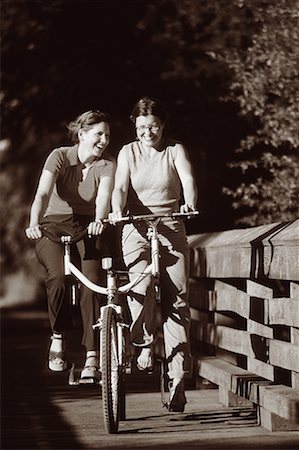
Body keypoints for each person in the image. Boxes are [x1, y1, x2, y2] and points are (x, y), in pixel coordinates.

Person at [110, 96, 198, 412]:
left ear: (163, 124)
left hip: (171, 222)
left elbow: (187, 179)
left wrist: (188, 202)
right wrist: (117, 210)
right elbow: (120, 187)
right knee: (139, 288)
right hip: (134, 225)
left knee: (177, 300)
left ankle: (178, 380)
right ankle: (144, 343)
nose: (148, 132)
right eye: (142, 127)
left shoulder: (175, 149)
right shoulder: (127, 152)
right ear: (135, 126)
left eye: (154, 126)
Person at [25, 110, 115, 381]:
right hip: (52, 224)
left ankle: (91, 355)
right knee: (58, 277)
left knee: (93, 281)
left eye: (107, 135)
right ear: (82, 134)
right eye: (99, 134)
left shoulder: (107, 164)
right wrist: (33, 222)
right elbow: (42, 192)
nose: (104, 140)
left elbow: (104, 197)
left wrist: (100, 219)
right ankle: (58, 337)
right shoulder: (60, 156)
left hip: (88, 225)